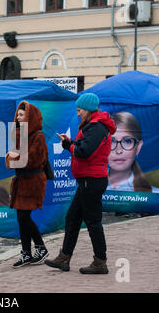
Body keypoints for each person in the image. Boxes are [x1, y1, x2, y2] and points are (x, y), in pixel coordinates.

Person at [44, 93, 116, 274]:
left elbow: (85, 152)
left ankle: (100, 262)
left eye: (79, 110)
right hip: (87, 180)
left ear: (88, 109)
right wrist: (70, 143)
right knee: (73, 219)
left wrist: (70, 146)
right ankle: (64, 258)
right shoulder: (93, 126)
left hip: (91, 181)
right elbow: (83, 147)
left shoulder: (97, 127)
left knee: (93, 222)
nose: (77, 114)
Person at [5, 101, 50, 268]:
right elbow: (18, 160)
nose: (18, 117)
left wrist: (13, 157)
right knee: (21, 218)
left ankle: (40, 247)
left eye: (22, 115)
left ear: (30, 117)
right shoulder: (20, 134)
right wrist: (13, 158)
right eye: (18, 114)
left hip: (33, 181)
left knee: (24, 217)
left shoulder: (38, 136)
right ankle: (26, 252)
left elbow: (31, 160)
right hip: (22, 180)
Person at [107, 111, 159, 193]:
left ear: (138, 147)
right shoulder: (88, 190)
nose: (118, 150)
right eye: (111, 142)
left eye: (127, 141)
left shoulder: (154, 195)